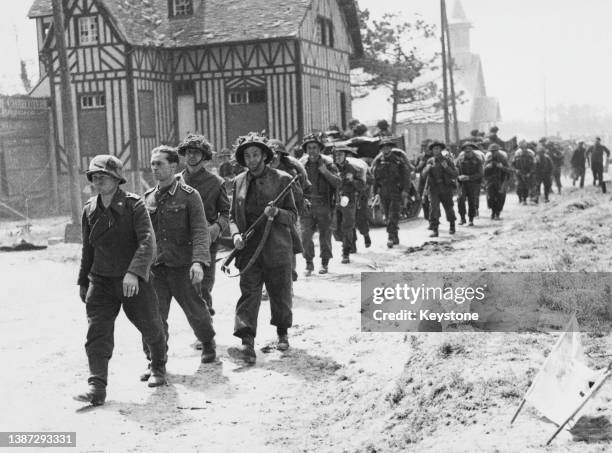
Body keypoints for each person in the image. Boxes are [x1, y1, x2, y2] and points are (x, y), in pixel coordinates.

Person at [75, 155, 166, 405]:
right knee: (97, 332)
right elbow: (88, 249)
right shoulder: (89, 209)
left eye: (103, 175)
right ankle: (97, 387)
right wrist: (84, 281)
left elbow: (148, 241)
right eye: (94, 176)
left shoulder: (133, 205)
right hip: (102, 281)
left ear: (117, 179)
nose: (98, 180)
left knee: (151, 326)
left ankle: (158, 366)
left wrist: (134, 272)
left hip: (133, 280)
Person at [141, 147, 216, 383]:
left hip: (183, 267)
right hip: (157, 269)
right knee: (153, 317)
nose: (155, 168)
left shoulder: (189, 195)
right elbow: (143, 236)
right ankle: (156, 364)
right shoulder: (148, 198)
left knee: (196, 311)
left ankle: (207, 342)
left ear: (173, 166)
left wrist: (199, 262)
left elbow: (201, 231)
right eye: (152, 164)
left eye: (159, 164)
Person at [227, 133, 297, 365]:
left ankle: (282, 332)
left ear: (265, 156)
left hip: (277, 247)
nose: (252, 159)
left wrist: (277, 213)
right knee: (249, 293)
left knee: (279, 293)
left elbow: (294, 216)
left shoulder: (283, 179)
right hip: (249, 250)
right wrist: (236, 234)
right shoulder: (238, 182)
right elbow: (231, 217)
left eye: (256, 154)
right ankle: (246, 343)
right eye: (247, 155)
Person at [176, 134, 230, 323]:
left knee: (203, 284)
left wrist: (216, 228)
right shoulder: (175, 182)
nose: (191, 156)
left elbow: (226, 213)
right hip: (180, 242)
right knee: (188, 287)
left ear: (204, 156)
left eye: (196, 153)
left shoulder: (216, 182)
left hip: (206, 239)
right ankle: (203, 319)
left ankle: (205, 324)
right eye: (189, 152)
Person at [299, 134, 341, 275]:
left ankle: (324, 263)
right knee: (305, 236)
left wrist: (325, 172)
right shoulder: (301, 165)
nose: (312, 151)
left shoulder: (328, 164)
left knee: (325, 236)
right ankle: (309, 264)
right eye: (309, 148)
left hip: (324, 204)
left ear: (320, 149)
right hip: (307, 206)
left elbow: (337, 182)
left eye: (315, 148)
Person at [268, 138, 309, 282]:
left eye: (276, 154)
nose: (273, 158)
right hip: (268, 215)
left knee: (288, 246)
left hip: (287, 214)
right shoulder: (263, 171)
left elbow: (298, 196)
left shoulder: (290, 173)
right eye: (270, 154)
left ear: (281, 155)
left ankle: (290, 275)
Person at [371, 138, 410, 247]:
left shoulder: (398, 161)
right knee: (387, 215)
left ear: (391, 148)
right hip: (383, 192)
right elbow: (375, 180)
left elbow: (406, 177)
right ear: (381, 150)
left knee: (393, 214)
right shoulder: (378, 162)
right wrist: (375, 194)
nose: (385, 149)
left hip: (395, 191)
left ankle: (390, 237)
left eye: (388, 147)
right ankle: (395, 236)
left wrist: (405, 191)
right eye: (383, 147)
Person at [332, 145, 365, 263]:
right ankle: (351, 242)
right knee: (336, 229)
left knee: (347, 226)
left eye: (340, 155)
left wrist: (353, 180)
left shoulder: (352, 168)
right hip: (335, 201)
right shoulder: (332, 168)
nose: (338, 157)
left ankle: (345, 252)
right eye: (336, 155)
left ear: (345, 156)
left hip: (348, 201)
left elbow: (362, 185)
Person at [422, 141, 458, 237]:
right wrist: (427, 169)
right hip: (434, 188)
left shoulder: (447, 160)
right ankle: (435, 229)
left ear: (441, 150)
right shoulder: (430, 161)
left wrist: (446, 168)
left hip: (445, 187)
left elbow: (455, 174)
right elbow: (424, 175)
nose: (436, 150)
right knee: (434, 208)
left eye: (437, 148)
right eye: (434, 149)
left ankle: (452, 225)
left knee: (449, 207)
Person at [455, 142, 483, 226]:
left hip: (473, 184)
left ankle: (471, 219)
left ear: (472, 151)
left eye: (469, 151)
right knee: (460, 200)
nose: (468, 153)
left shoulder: (477, 160)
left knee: (472, 201)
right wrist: (458, 177)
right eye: (466, 151)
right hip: (462, 184)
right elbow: (455, 171)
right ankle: (462, 218)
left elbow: (480, 174)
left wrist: (469, 177)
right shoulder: (460, 160)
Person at [483, 144, 512, 220]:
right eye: (492, 151)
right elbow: (483, 171)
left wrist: (502, 167)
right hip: (491, 181)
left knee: (500, 198)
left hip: (501, 181)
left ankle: (497, 213)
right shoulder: (488, 159)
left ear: (498, 151)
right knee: (490, 198)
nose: (493, 153)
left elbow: (509, 170)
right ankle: (493, 211)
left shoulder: (503, 159)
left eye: (495, 151)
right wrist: (487, 167)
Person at [511, 141, 535, 205]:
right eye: (522, 148)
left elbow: (533, 165)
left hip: (527, 174)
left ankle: (524, 199)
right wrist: (516, 170)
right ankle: (519, 198)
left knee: (526, 187)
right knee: (519, 186)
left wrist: (529, 173)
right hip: (518, 174)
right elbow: (512, 165)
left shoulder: (530, 155)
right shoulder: (517, 155)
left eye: (525, 148)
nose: (523, 149)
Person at [415, 142, 434, 223]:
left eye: (428, 147)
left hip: (433, 182)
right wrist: (421, 164)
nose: (426, 149)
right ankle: (428, 218)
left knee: (433, 202)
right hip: (423, 182)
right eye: (424, 147)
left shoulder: (435, 157)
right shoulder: (421, 157)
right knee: (424, 201)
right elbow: (416, 169)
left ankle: (434, 219)